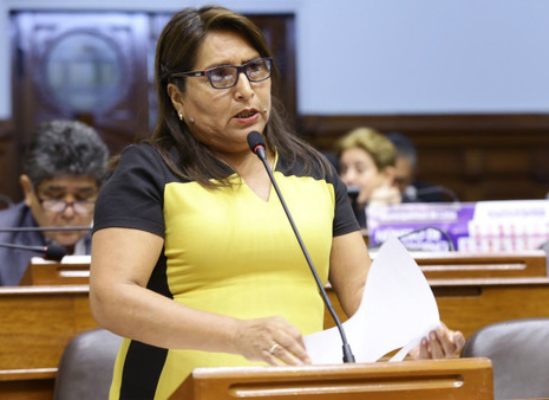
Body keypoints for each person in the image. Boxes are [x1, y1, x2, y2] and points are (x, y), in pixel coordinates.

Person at [88, 6, 465, 400]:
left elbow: (358, 286)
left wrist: (410, 341)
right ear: (176, 95)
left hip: (296, 391)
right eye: (220, 75)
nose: (245, 89)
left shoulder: (314, 171)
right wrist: (237, 335)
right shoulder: (149, 171)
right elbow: (112, 298)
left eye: (255, 69)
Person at [0, 120, 108, 286]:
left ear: (100, 192)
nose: (69, 213)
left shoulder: (122, 237)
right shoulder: (3, 239)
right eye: (55, 197)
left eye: (82, 198)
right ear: (28, 190)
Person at [334, 127, 402, 228]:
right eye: (344, 170)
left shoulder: (411, 211)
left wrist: (376, 212)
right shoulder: (335, 212)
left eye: (360, 169)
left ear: (387, 175)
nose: (349, 178)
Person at [386, 132, 453, 202]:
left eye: (400, 181)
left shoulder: (431, 195)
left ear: (414, 172)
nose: (395, 188)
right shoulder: (377, 198)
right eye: (389, 180)